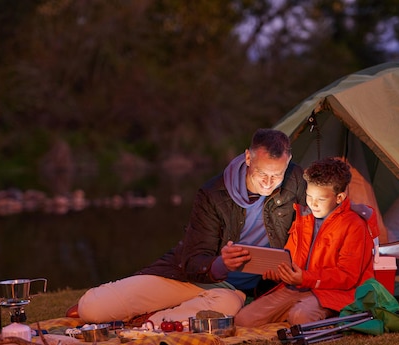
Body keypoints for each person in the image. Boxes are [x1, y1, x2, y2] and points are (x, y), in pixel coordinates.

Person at [73, 128, 306, 325]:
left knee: (228, 306)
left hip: (232, 294)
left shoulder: (295, 180)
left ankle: (152, 322)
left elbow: (319, 223)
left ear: (287, 162)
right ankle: (145, 307)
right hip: (190, 277)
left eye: (276, 176)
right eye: (261, 173)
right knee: (91, 309)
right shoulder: (214, 193)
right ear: (248, 158)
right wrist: (221, 263)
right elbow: (193, 259)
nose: (268, 183)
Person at [234, 157, 375, 327]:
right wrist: (278, 272)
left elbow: (347, 276)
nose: (313, 204)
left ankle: (321, 314)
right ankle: (296, 311)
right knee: (243, 320)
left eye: (320, 199)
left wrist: (305, 278)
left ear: (339, 197)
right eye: (309, 196)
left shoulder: (353, 225)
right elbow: (291, 259)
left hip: (331, 292)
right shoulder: (304, 218)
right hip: (296, 288)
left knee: (300, 318)